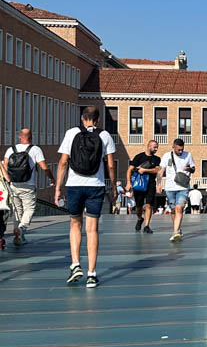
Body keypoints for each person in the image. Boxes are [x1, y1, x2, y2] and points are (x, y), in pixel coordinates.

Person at [55, 106, 117, 287]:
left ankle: (75, 264)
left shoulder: (72, 133)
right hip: (95, 187)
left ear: (82, 118)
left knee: (75, 224)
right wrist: (113, 186)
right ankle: (92, 273)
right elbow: (111, 165)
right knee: (92, 229)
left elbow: (63, 161)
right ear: (97, 120)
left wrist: (58, 187)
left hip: (74, 185)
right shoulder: (105, 136)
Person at [3, 128, 55, 246]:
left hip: (13, 185)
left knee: (17, 211)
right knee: (30, 209)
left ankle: (18, 238)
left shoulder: (10, 149)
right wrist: (51, 178)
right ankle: (21, 229)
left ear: (19, 137)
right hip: (28, 184)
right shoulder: (35, 149)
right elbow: (44, 167)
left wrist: (8, 182)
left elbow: (5, 167)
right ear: (31, 137)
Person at [157, 138, 195, 242]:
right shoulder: (166, 156)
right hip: (170, 188)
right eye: (178, 150)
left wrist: (189, 169)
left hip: (183, 187)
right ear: (173, 147)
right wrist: (159, 184)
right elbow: (161, 171)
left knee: (179, 208)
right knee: (173, 210)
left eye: (182, 149)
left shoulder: (188, 155)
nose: (181, 151)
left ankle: (175, 232)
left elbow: (193, 169)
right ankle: (177, 228)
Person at [126, 139, 161, 233]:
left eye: (157, 147)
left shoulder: (156, 159)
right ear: (149, 146)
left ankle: (146, 226)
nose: (156, 149)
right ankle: (139, 219)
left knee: (149, 205)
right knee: (138, 206)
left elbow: (157, 170)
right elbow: (129, 170)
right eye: (154, 147)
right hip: (139, 184)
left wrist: (144, 170)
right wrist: (129, 183)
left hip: (150, 183)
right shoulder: (139, 157)